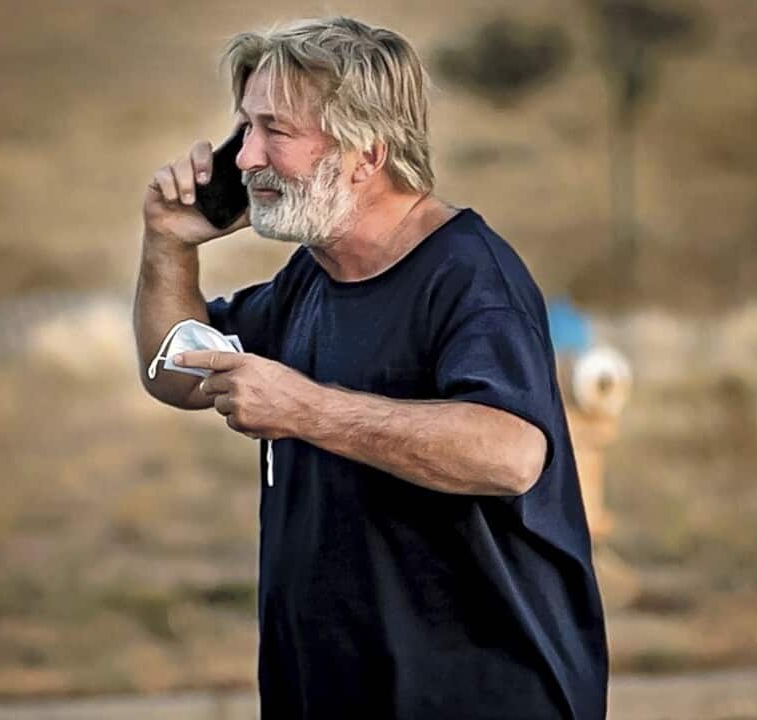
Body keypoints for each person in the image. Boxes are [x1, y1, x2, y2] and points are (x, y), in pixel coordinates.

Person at [131, 16, 608, 720]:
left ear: (366, 153)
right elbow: (174, 371)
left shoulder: (470, 277)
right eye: (245, 127)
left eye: (275, 131)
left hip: (476, 698)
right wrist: (168, 244)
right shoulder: (311, 278)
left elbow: (510, 453)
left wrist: (307, 410)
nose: (243, 157)